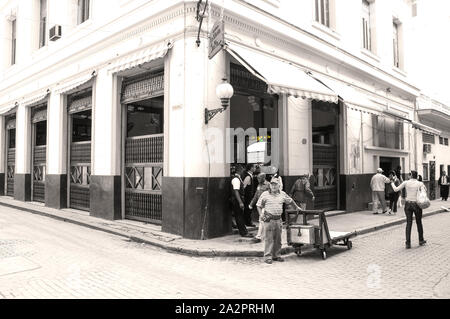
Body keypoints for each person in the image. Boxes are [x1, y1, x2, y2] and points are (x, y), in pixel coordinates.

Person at [256, 177, 302, 264]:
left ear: (279, 186)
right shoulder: (265, 194)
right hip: (268, 220)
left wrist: (296, 207)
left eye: (275, 185)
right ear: (270, 185)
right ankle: (268, 257)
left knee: (278, 239)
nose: (273, 186)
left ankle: (276, 255)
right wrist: (261, 214)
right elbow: (258, 205)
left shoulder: (282, 194)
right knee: (269, 239)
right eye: (272, 184)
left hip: (278, 220)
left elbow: (291, 200)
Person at [390, 170, 427, 249]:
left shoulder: (406, 182)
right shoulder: (420, 183)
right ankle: (421, 240)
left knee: (408, 223)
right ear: (416, 176)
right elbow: (424, 192)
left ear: (410, 176)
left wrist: (392, 182)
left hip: (408, 204)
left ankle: (408, 243)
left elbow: (396, 189)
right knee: (419, 222)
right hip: (417, 204)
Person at [230, 165, 253, 238]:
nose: (243, 171)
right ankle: (243, 232)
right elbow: (236, 191)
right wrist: (240, 202)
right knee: (239, 216)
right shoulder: (236, 179)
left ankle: (244, 231)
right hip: (237, 201)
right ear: (239, 170)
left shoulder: (238, 178)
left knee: (240, 216)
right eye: (242, 169)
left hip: (238, 200)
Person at [249, 173, 271, 243]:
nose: (258, 180)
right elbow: (256, 195)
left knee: (262, 220)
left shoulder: (268, 185)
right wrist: (251, 203)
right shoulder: (259, 185)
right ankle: (265, 236)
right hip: (260, 205)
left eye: (259, 178)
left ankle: (259, 237)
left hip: (266, 205)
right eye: (257, 178)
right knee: (263, 221)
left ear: (263, 178)